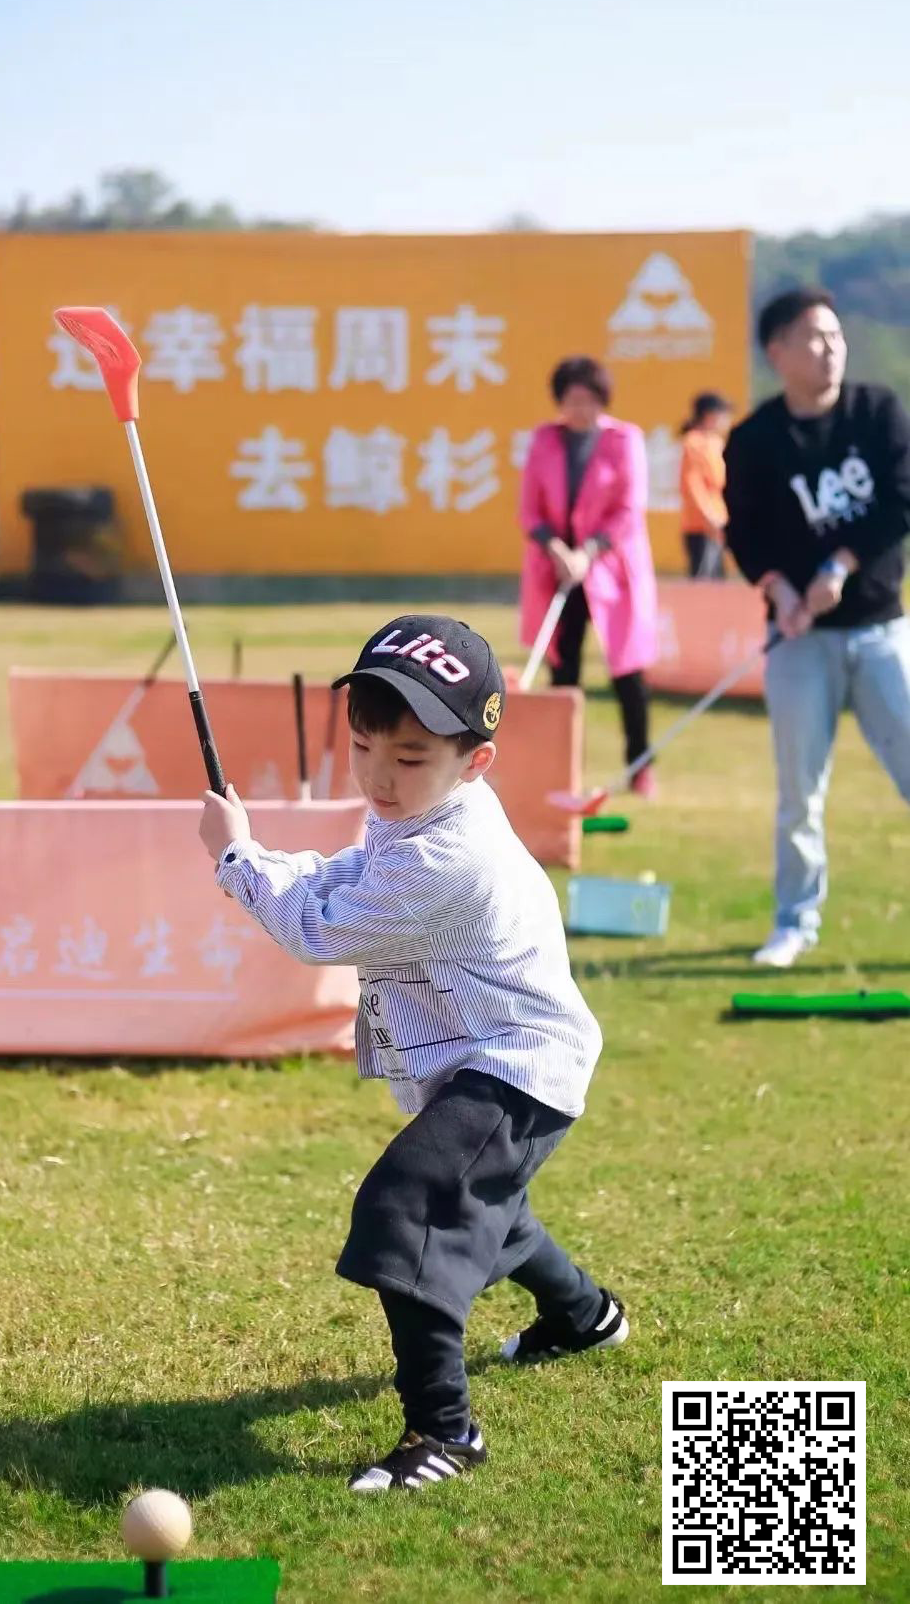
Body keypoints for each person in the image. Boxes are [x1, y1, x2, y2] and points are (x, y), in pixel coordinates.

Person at [198, 615, 627, 1493]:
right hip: (490, 1057)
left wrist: (236, 857)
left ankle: (445, 1430)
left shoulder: (450, 854)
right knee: (491, 1214)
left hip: (519, 1065)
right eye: (363, 747)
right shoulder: (429, 811)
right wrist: (259, 849)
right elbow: (345, 879)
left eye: (409, 757)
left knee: (409, 1207)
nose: (379, 777)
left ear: (476, 759)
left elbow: (319, 927)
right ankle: (584, 1316)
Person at [724, 287, 910, 968]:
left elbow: (899, 501)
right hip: (801, 641)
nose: (829, 349)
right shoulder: (754, 440)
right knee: (800, 790)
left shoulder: (878, 412)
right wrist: (778, 587)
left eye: (835, 336)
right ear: (777, 352)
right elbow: (745, 532)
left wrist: (840, 564)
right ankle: (794, 921)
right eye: (812, 338)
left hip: (882, 630)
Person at [519, 355, 659, 796]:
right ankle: (563, 768)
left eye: (589, 400)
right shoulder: (544, 440)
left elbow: (629, 509)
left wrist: (590, 552)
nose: (581, 409)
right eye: (572, 400)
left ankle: (640, 764)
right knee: (563, 669)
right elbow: (529, 509)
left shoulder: (624, 440)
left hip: (611, 572)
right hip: (558, 571)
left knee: (627, 671)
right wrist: (557, 549)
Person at [679, 391, 734, 577]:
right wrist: (709, 516)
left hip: (719, 524)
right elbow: (692, 484)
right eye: (723, 413)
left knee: (718, 583)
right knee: (703, 583)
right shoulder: (693, 443)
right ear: (709, 415)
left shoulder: (717, 443)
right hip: (701, 526)